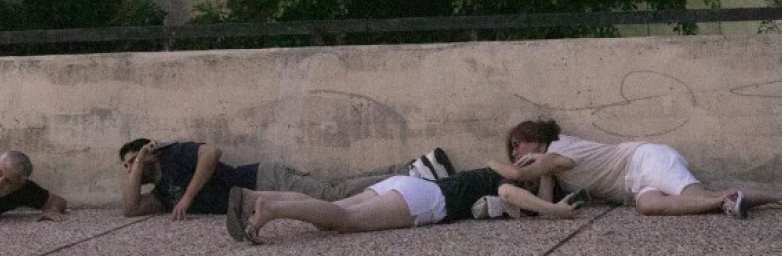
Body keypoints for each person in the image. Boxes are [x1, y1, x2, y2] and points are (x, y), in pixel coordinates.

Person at [490, 119, 782, 218]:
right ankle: (728, 199)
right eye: (513, 149)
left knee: (699, 196)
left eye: (519, 144)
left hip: (646, 160)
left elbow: (519, 175)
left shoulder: (560, 148)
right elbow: (549, 208)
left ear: (536, 140)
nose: (516, 151)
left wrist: (493, 164)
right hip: (635, 186)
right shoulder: (553, 166)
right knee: (648, 206)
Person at [226, 167, 583, 244]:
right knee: (345, 219)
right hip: (425, 200)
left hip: (407, 185)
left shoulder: (490, 169)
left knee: (331, 208)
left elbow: (533, 193)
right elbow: (509, 196)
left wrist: (548, 193)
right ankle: (270, 212)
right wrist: (557, 211)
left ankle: (257, 199)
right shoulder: (502, 180)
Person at [118, 138, 454, 219]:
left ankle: (414, 172)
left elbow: (212, 152)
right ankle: (412, 169)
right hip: (260, 193)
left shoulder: (176, 154)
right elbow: (130, 209)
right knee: (337, 188)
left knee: (333, 192)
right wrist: (135, 168)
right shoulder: (162, 194)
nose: (133, 168)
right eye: (128, 167)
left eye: (134, 160)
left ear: (151, 152)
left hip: (265, 178)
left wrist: (189, 197)